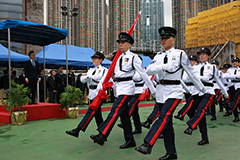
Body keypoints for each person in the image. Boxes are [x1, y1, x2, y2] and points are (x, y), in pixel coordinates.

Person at [135, 27, 205, 160]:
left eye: (166, 38)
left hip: (174, 91)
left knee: (163, 116)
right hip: (161, 91)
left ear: (173, 39)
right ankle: (171, 153)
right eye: (162, 39)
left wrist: (202, 89)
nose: (163, 41)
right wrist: (163, 67)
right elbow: (148, 70)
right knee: (167, 125)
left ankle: (147, 144)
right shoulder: (159, 55)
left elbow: (189, 72)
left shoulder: (180, 54)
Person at [90, 32, 156, 149]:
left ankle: (103, 135)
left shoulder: (134, 58)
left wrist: (152, 90)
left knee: (115, 111)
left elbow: (143, 74)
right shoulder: (118, 58)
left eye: (123, 43)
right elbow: (114, 75)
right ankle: (130, 140)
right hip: (119, 88)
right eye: (119, 43)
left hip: (128, 88)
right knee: (124, 116)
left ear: (129, 44)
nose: (120, 45)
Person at [183, 47, 228, 146]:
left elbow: (217, 80)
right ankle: (204, 138)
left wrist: (225, 93)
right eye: (200, 54)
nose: (202, 56)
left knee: (201, 110)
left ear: (208, 56)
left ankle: (191, 126)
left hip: (208, 92)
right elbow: (187, 79)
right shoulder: (194, 67)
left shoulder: (212, 67)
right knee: (199, 115)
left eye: (204, 54)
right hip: (196, 92)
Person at [65, 52, 108, 138]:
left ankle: (77, 130)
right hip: (91, 92)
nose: (94, 60)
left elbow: (103, 80)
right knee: (97, 115)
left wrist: (90, 77)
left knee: (90, 111)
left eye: (96, 58)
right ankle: (103, 134)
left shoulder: (104, 70)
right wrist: (88, 77)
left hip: (99, 93)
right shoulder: (90, 70)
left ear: (101, 60)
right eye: (93, 58)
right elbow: (82, 80)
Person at [223, 57, 240, 122]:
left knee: (235, 99)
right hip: (232, 86)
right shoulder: (230, 70)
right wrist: (235, 77)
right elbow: (226, 76)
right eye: (233, 62)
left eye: (236, 61)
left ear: (238, 62)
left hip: (239, 86)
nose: (234, 63)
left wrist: (233, 77)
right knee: (232, 100)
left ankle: (231, 107)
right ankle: (236, 116)